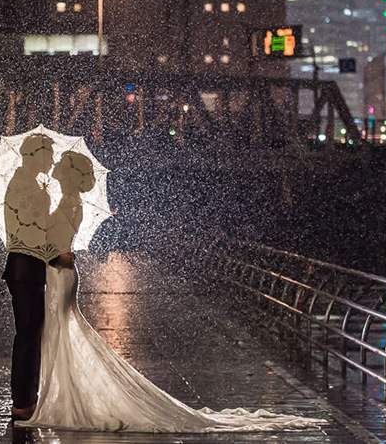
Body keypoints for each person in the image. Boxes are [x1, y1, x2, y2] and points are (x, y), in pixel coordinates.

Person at [16, 151, 326, 433]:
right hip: (59, 276)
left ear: (68, 175)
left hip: (61, 273)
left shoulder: (69, 202)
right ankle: (56, 395)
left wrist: (43, 241)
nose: (53, 167)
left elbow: (62, 250)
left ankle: (60, 399)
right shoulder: (65, 200)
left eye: (58, 166)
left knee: (60, 334)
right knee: (58, 334)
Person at [1, 133, 60, 421]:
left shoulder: (29, 183)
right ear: (34, 155)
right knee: (27, 333)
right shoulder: (25, 185)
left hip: (27, 268)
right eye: (48, 154)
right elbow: (33, 230)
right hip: (26, 267)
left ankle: (26, 397)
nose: (52, 159)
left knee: (31, 333)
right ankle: (22, 399)